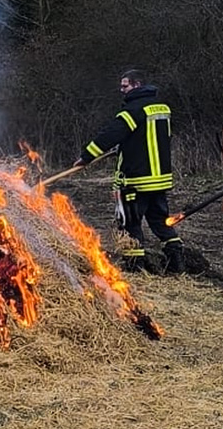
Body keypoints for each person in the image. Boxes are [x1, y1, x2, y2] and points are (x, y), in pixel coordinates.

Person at [76, 68, 186, 275]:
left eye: (125, 85)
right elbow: (150, 139)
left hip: (136, 180)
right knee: (160, 221)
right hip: (160, 180)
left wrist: (86, 157)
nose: (122, 90)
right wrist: (125, 147)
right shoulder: (162, 109)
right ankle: (177, 261)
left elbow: (109, 135)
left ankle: (135, 268)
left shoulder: (132, 111)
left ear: (137, 85)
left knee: (129, 223)